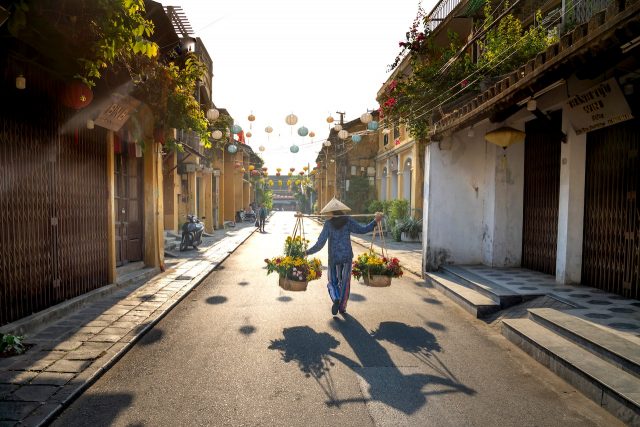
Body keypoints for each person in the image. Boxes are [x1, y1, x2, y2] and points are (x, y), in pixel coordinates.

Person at [305, 198, 383, 316]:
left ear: (332, 212)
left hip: (334, 258)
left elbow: (320, 243)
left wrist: (307, 252)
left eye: (328, 213)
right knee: (345, 283)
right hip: (346, 257)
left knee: (333, 282)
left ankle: (336, 297)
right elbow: (362, 230)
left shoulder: (328, 224)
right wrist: (375, 221)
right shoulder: (348, 221)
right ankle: (342, 307)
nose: (327, 215)